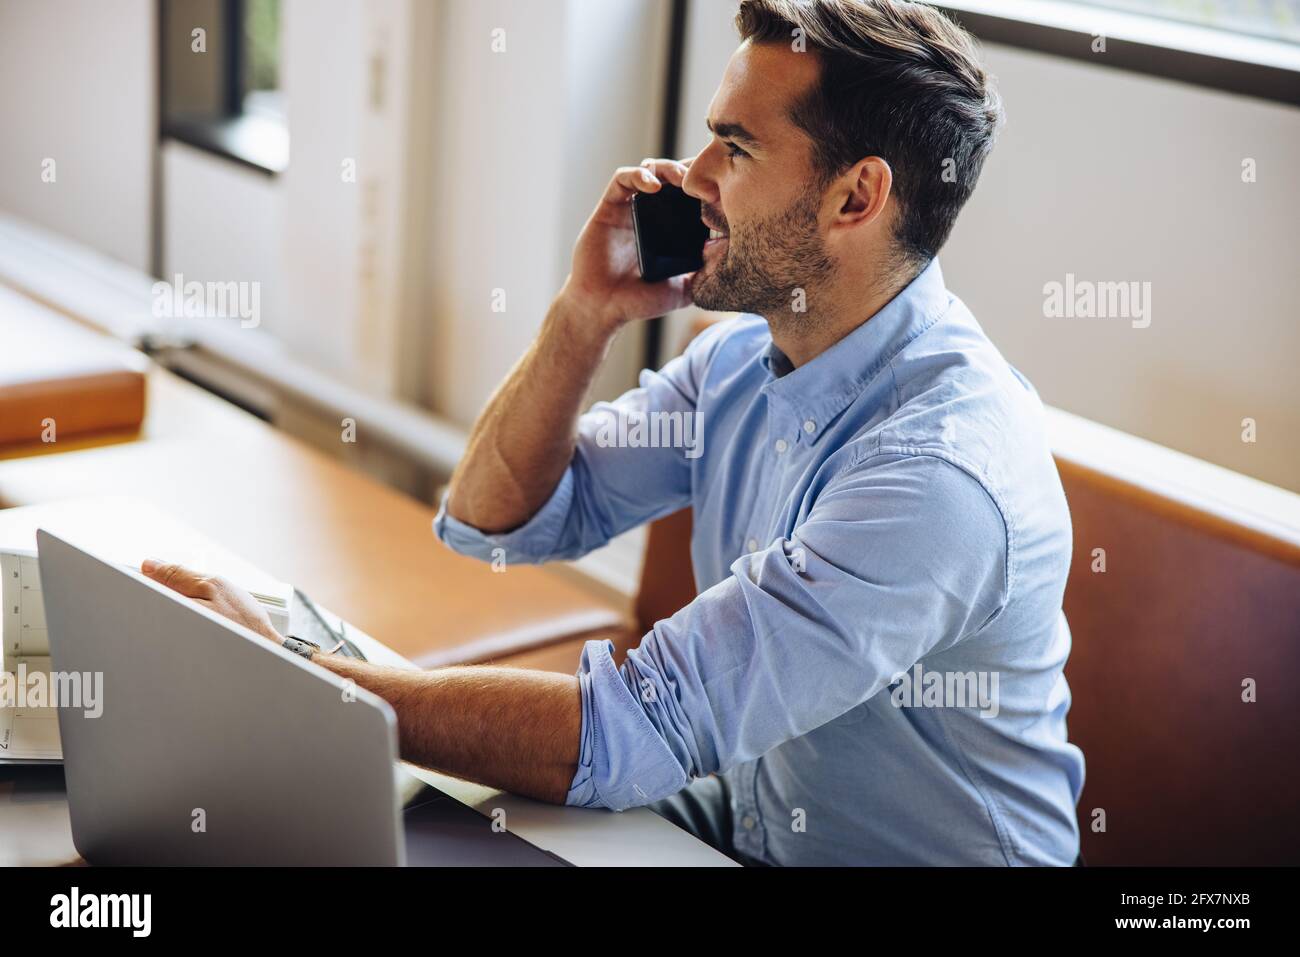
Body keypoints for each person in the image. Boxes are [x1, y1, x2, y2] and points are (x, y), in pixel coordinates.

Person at [146, 0, 1084, 866]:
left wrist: (303, 675)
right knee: (404, 831)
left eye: (736, 148)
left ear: (855, 198)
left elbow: (630, 732)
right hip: (746, 824)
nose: (693, 177)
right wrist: (583, 312)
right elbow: (493, 522)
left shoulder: (938, 478)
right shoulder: (738, 367)